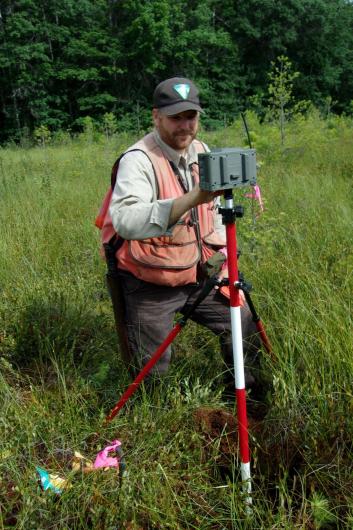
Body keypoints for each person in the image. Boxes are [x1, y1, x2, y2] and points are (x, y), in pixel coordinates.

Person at [101, 76, 261, 394]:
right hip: (150, 282)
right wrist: (191, 199)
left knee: (242, 325)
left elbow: (213, 215)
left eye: (191, 116)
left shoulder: (200, 150)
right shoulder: (138, 160)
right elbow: (126, 221)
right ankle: (155, 423)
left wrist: (223, 261)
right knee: (153, 371)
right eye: (175, 117)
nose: (185, 126)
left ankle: (246, 401)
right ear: (156, 116)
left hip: (200, 273)